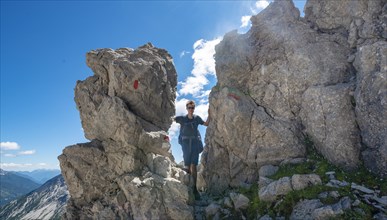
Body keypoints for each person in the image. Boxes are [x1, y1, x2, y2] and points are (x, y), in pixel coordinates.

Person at [174, 100, 210, 200]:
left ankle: (194, 189)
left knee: (193, 166)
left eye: (192, 108)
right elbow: (171, 119)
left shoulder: (197, 118)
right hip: (185, 144)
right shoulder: (182, 119)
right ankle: (188, 188)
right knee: (187, 166)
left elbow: (206, 124)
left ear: (194, 108)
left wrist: (210, 114)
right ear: (187, 108)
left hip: (194, 144)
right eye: (189, 107)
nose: (191, 109)